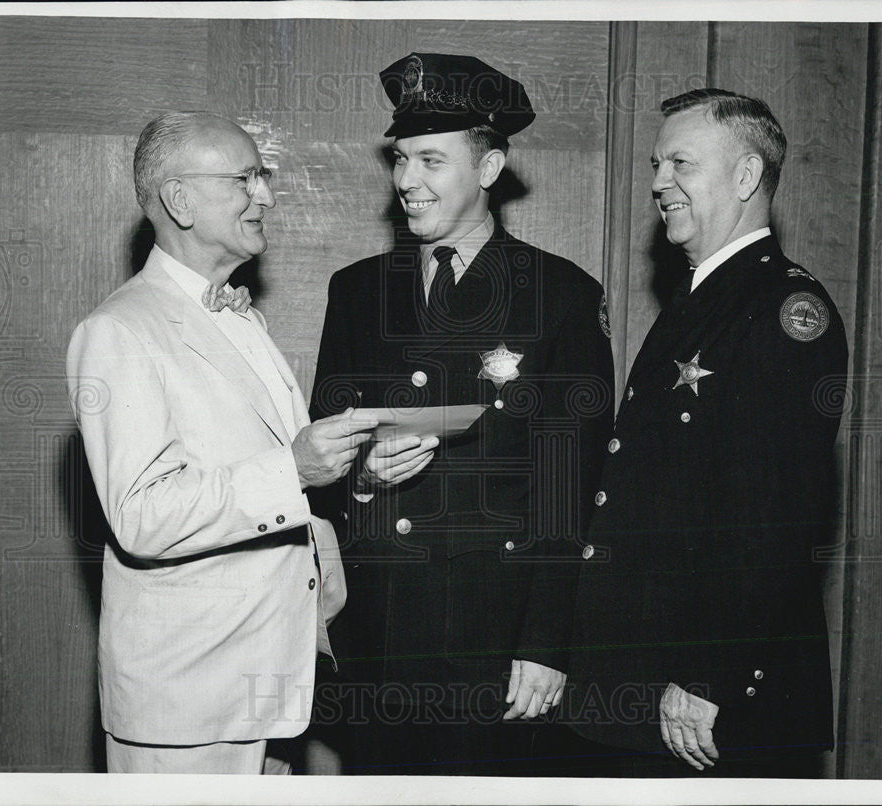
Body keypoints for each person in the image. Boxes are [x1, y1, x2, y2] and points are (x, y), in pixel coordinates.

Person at [309, 53, 614, 775]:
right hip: (378, 635)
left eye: (430, 160)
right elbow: (322, 456)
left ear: (489, 167)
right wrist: (359, 481)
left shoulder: (559, 296)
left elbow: (570, 489)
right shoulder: (356, 292)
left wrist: (545, 645)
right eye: (400, 159)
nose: (407, 181)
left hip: (492, 638)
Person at [66, 112, 376, 774]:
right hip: (187, 705)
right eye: (245, 178)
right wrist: (293, 468)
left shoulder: (233, 315)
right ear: (179, 200)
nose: (264, 195)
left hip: (268, 687)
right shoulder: (119, 331)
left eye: (262, 177)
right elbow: (143, 517)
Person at [566, 88, 849, 777]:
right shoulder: (704, 297)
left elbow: (776, 518)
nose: (659, 183)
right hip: (646, 681)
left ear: (747, 177)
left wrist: (707, 676)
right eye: (658, 164)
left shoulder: (785, 308)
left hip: (706, 702)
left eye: (681, 164)